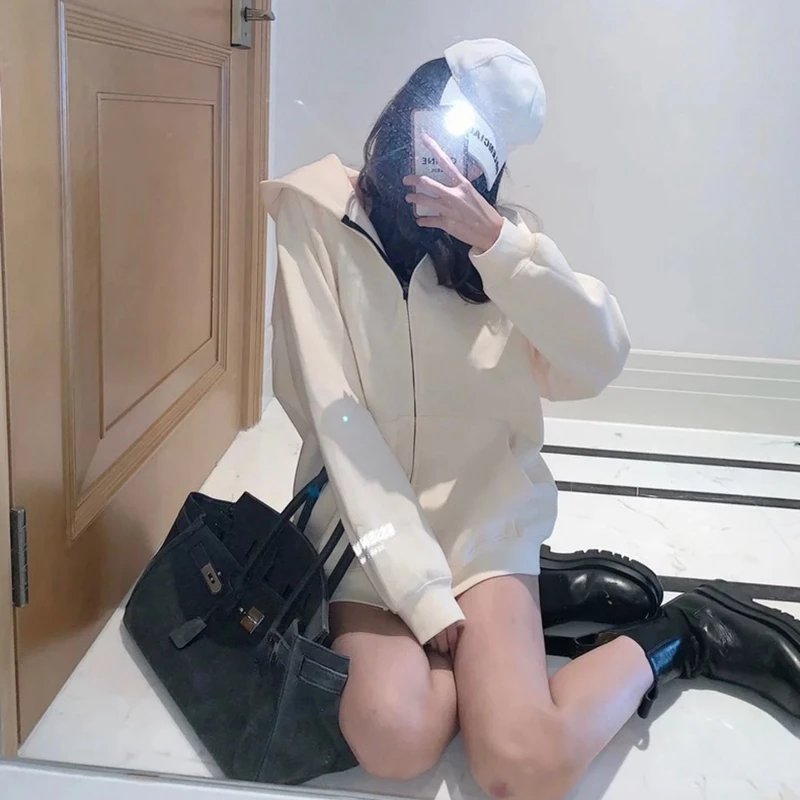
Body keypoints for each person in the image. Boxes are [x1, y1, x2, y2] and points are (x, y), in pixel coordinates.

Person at [262, 39, 800, 800]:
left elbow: (597, 364)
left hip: (482, 531)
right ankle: (529, 608)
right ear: (406, 110)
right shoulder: (314, 213)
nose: (439, 161)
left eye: (467, 152)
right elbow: (334, 418)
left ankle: (689, 631)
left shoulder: (502, 247)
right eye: (434, 129)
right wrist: (421, 594)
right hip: (368, 538)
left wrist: (498, 247)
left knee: (521, 767)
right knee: (394, 738)